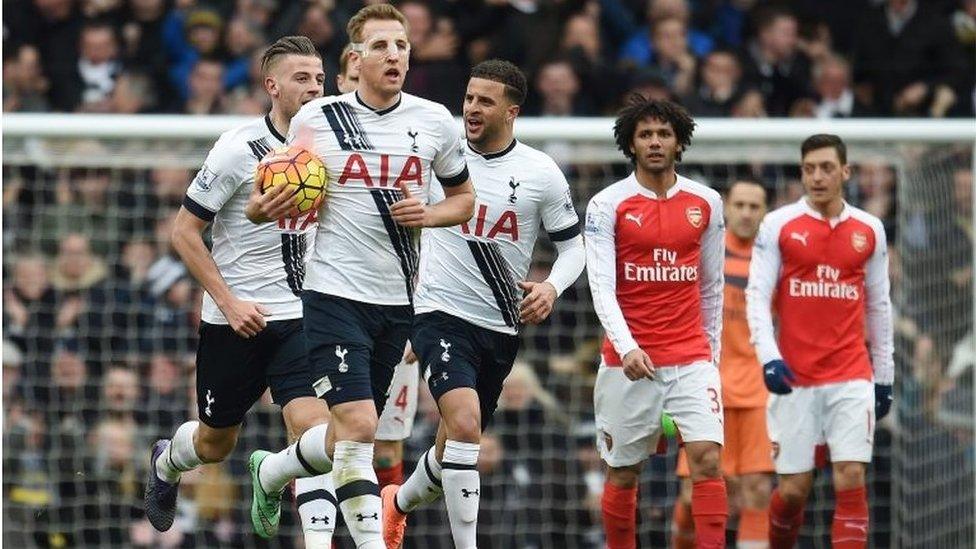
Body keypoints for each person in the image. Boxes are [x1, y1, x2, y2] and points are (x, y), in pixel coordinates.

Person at [245, 6, 475, 548]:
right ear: (356, 57)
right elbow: (263, 199)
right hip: (332, 294)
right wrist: (265, 207)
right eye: (381, 46)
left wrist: (430, 213)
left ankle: (273, 471)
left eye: (401, 45)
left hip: (398, 302)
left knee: (350, 435)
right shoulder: (317, 120)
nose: (394, 54)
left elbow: (464, 201)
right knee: (361, 429)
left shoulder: (435, 121)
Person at [381, 59, 586, 549]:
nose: (471, 108)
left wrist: (552, 287)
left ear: (511, 111)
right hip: (437, 314)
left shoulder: (540, 173)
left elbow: (574, 247)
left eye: (484, 101)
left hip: (499, 328)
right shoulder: (439, 158)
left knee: (453, 444)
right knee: (467, 425)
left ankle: (400, 502)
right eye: (469, 97)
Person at [143, 35, 337, 549]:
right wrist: (228, 303)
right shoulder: (237, 148)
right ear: (271, 85)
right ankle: (167, 460)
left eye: (320, 78)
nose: (314, 88)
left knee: (315, 435)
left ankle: (283, 491)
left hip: (304, 317)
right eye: (302, 78)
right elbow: (183, 232)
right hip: (236, 319)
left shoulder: (334, 147)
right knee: (214, 444)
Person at [585, 97, 727, 548]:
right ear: (630, 143)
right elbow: (602, 286)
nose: (655, 142)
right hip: (628, 361)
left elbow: (711, 286)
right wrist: (626, 345)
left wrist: (712, 355)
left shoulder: (706, 202)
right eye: (645, 134)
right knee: (624, 473)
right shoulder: (608, 204)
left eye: (664, 133)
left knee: (707, 460)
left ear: (679, 142)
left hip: (690, 356)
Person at [746, 134, 894, 548]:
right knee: (794, 490)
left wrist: (884, 376)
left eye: (826, 167)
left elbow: (880, 306)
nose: (817, 176)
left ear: (845, 171)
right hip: (795, 376)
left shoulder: (870, 230)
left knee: (851, 476)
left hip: (851, 375)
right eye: (809, 168)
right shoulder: (778, 225)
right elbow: (756, 296)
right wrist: (769, 358)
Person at [336, 40, 419, 492]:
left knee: (385, 447)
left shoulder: (411, 147)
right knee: (327, 438)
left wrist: (419, 318)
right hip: (334, 310)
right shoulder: (316, 154)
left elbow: (438, 238)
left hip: (395, 309)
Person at [673, 180, 773, 548]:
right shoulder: (704, 253)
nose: (746, 213)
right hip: (707, 386)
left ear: (765, 212)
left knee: (758, 490)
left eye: (755, 206)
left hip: (758, 391)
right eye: (740, 205)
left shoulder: (774, 260)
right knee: (693, 493)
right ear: (727, 208)